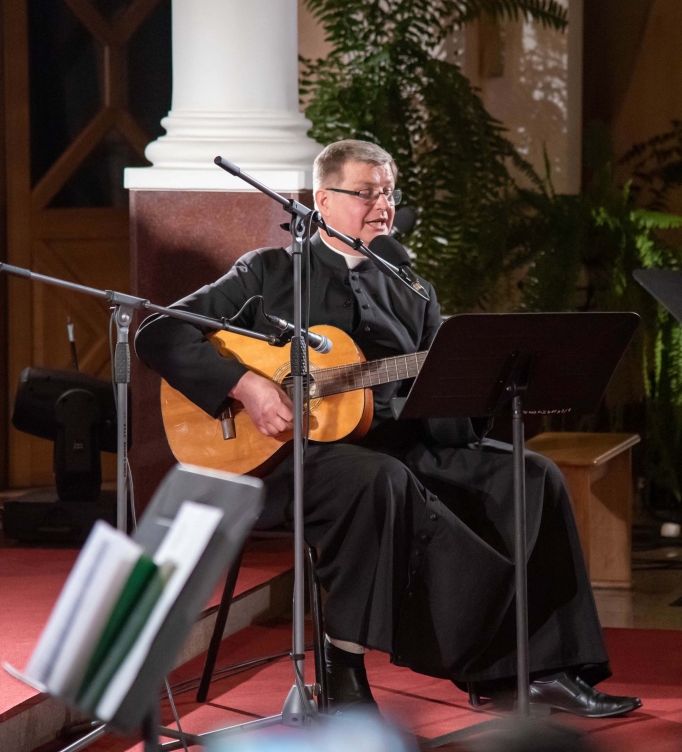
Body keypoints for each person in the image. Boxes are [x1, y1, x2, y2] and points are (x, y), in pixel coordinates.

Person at [135, 140, 641, 718]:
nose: (382, 205)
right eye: (366, 192)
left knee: (532, 474)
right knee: (380, 482)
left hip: (402, 441)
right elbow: (159, 332)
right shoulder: (269, 272)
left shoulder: (411, 288)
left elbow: (439, 402)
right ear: (322, 201)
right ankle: (342, 667)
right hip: (288, 455)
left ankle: (537, 670)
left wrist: (488, 390)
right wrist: (246, 386)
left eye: (388, 193)